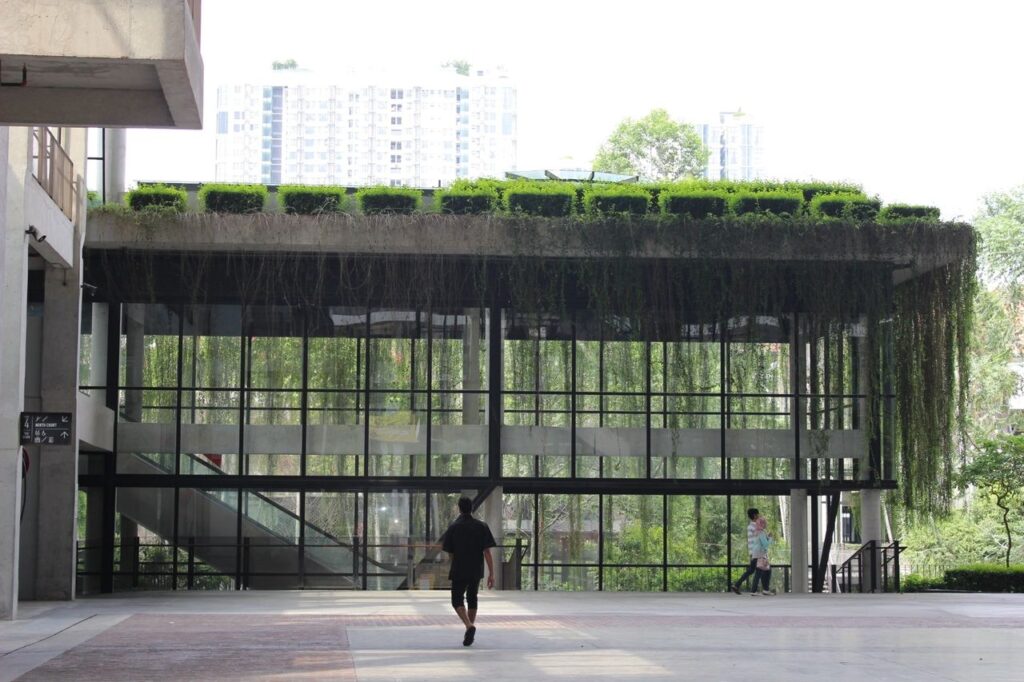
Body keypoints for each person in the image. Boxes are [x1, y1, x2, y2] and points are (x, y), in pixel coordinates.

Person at [441, 496, 496, 646]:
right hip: (476, 569)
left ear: (459, 508)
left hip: (459, 568)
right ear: (472, 508)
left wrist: (454, 563)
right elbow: (487, 552)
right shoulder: (482, 526)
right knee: (472, 598)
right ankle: (469, 629)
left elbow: (450, 552)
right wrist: (491, 574)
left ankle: (469, 626)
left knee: (456, 600)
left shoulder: (454, 527)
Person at [731, 508, 761, 595]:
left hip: (753, 551)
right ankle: (758, 590)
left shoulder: (750, 526)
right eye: (758, 514)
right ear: (755, 515)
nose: (759, 516)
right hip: (757, 552)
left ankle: (737, 585)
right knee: (762, 570)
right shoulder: (755, 526)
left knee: (751, 570)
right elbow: (759, 537)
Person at [751, 515, 774, 596]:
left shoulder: (757, 532)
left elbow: (762, 543)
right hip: (760, 554)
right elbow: (765, 545)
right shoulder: (761, 532)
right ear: (762, 523)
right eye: (764, 522)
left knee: (766, 571)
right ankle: (754, 591)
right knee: (759, 572)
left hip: (757, 554)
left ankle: (765, 590)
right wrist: (770, 538)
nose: (766, 524)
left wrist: (768, 537)